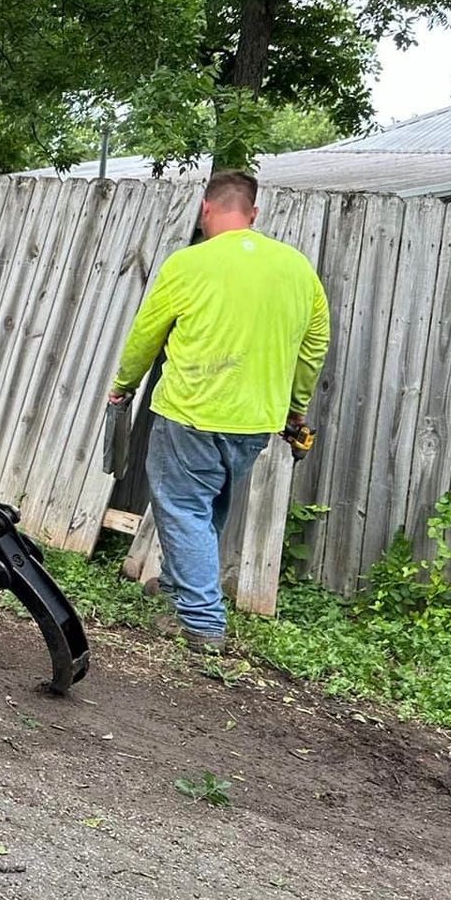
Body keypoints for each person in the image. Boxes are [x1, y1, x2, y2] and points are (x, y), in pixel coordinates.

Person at [108, 171, 330, 651]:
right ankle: (175, 590)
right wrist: (295, 409)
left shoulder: (189, 264)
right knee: (207, 509)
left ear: (206, 210)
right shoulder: (297, 268)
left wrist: (123, 386)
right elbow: (314, 347)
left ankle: (204, 624)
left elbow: (147, 333)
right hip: (257, 420)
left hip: (190, 411)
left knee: (184, 509)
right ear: (252, 215)